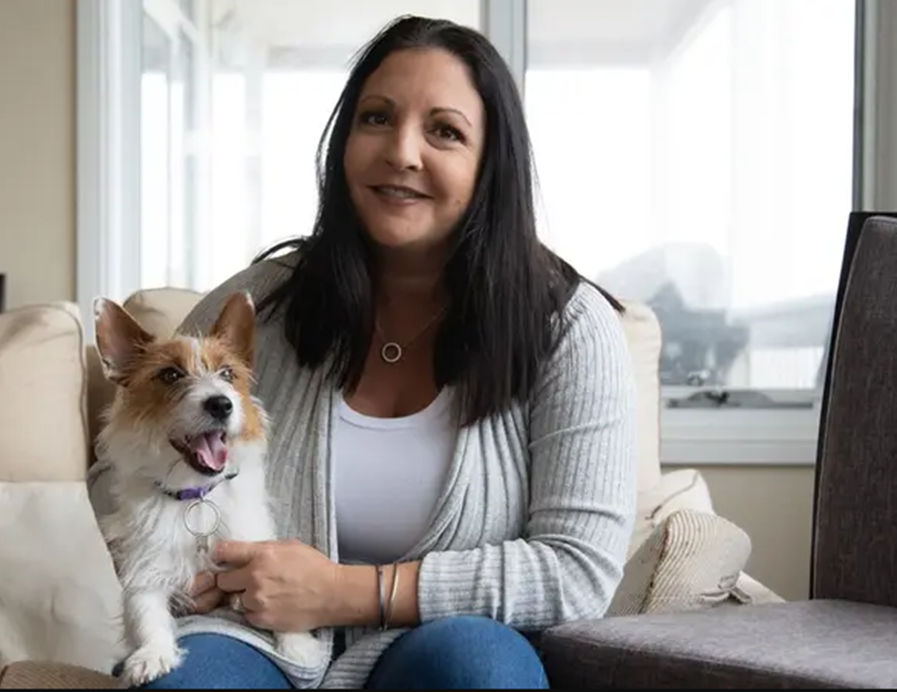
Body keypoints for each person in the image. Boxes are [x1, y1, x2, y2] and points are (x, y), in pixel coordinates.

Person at [97, 13, 638, 690]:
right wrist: (184, 573)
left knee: (481, 673)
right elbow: (123, 456)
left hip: (449, 640)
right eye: (376, 118)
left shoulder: (571, 329)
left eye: (444, 130)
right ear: (344, 141)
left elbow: (577, 568)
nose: (401, 152)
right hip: (250, 636)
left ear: (490, 161)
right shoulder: (262, 301)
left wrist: (349, 591)